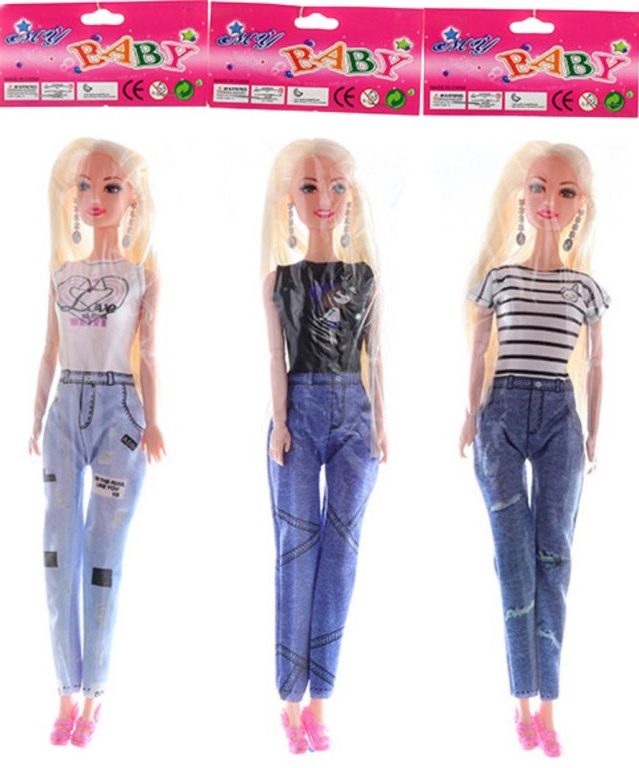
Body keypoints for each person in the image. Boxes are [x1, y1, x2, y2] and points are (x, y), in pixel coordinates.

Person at [459, 141, 609, 757]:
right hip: (500, 411)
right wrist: (469, 414)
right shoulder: (499, 278)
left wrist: (594, 430)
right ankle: (523, 700)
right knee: (512, 556)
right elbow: (478, 351)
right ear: (522, 195)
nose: (551, 201)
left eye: (566, 191)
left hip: (560, 413)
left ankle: (548, 702)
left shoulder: (587, 289)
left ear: (581, 205)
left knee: (556, 554)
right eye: (540, 188)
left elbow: (596, 366)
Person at [30, 138, 165, 748]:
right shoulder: (61, 275)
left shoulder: (142, 276)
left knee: (103, 557)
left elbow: (150, 353)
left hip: (119, 412)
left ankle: (95, 694)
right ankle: (65, 689)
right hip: (65, 407)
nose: (95, 198)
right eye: (85, 185)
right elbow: (49, 349)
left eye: (111, 187)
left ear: (133, 197)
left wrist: (153, 420)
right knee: (58, 549)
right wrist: (36, 415)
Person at [261, 139, 386, 754]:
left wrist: (382, 422)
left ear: (350, 197)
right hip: (300, 409)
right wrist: (280, 420)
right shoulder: (280, 280)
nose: (324, 200)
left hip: (355, 413)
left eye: (336, 187)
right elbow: (275, 358)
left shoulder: (365, 278)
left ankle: (320, 701)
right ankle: (290, 697)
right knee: (296, 548)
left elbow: (375, 356)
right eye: (309, 187)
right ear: (290, 198)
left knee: (341, 550)